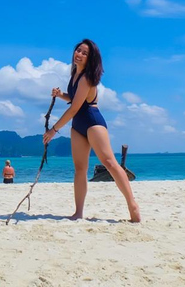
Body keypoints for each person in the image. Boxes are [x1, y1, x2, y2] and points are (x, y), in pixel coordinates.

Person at [43, 39, 141, 222]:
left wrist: (54, 130)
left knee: (110, 162)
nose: (78, 54)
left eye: (84, 53)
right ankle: (78, 212)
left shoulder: (87, 78)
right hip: (78, 125)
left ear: (90, 58)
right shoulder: (74, 75)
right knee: (80, 169)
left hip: (92, 121)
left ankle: (132, 205)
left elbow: (74, 109)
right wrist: (60, 95)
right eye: (77, 50)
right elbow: (74, 100)